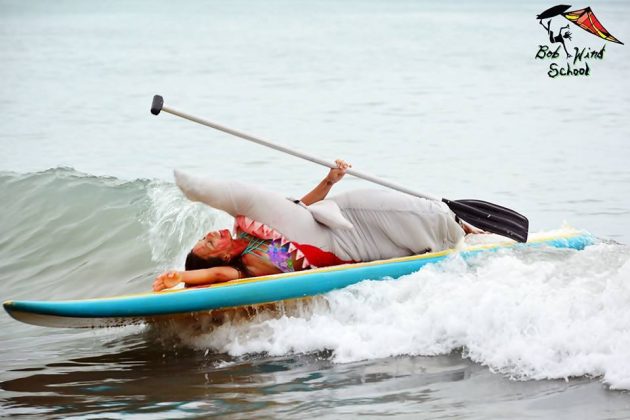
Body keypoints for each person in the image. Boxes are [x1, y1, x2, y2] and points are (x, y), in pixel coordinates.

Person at [153, 160, 478, 292]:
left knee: (405, 210)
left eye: (205, 238)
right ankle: (460, 230)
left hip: (335, 218)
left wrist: (329, 180)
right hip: (346, 246)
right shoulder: (246, 269)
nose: (210, 236)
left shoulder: (247, 232)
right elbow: (212, 277)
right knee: (421, 234)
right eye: (209, 245)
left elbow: (299, 211)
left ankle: (464, 227)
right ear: (223, 258)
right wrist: (180, 277)